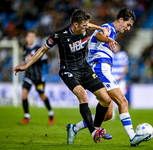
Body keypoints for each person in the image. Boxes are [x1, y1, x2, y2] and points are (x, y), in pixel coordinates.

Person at [13, 9, 112, 144]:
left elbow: (89, 25)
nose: (86, 28)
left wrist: (101, 28)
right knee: (83, 96)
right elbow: (42, 49)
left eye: (87, 25)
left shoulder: (84, 27)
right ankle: (94, 132)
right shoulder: (60, 36)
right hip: (69, 71)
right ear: (75, 25)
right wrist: (26, 66)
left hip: (85, 69)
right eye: (84, 25)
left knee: (106, 100)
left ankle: (87, 128)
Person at [67, 7, 151, 147]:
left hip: (100, 70)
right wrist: (108, 40)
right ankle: (132, 137)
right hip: (100, 69)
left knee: (108, 115)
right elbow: (98, 35)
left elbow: (90, 39)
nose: (128, 28)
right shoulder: (108, 28)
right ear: (120, 20)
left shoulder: (112, 32)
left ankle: (74, 128)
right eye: (128, 25)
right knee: (123, 101)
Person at [20, 29, 54, 125]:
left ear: (34, 38)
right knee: (23, 94)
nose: (30, 38)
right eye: (29, 37)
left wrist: (34, 59)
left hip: (38, 77)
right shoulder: (25, 49)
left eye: (32, 37)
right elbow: (24, 60)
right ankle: (27, 116)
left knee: (42, 96)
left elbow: (46, 61)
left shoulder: (39, 48)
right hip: (28, 76)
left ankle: (51, 113)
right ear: (26, 38)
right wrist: (24, 62)